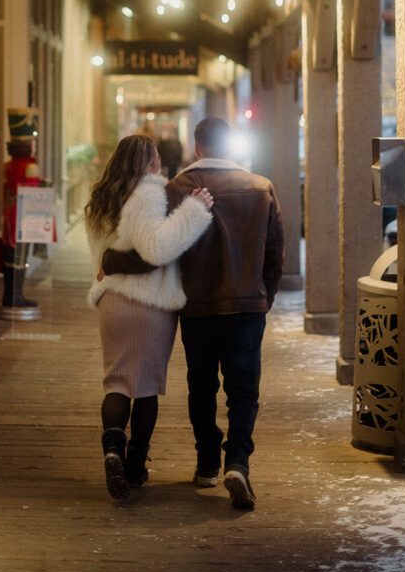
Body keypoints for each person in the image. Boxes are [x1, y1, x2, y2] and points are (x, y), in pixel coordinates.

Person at [103, 116, 284, 511]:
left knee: (201, 387)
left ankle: (206, 463)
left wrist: (111, 261)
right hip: (246, 306)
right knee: (243, 392)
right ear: (230, 145)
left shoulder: (175, 189)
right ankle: (237, 463)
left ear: (197, 147)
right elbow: (275, 253)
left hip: (198, 308)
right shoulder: (260, 187)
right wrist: (262, 298)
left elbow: (157, 251)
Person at [85, 133, 213, 500]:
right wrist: (194, 209)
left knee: (116, 382)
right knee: (145, 387)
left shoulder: (102, 199)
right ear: (152, 163)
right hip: (147, 303)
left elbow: (105, 255)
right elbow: (156, 248)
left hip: (112, 301)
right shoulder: (147, 193)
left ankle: (112, 447)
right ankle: (135, 465)